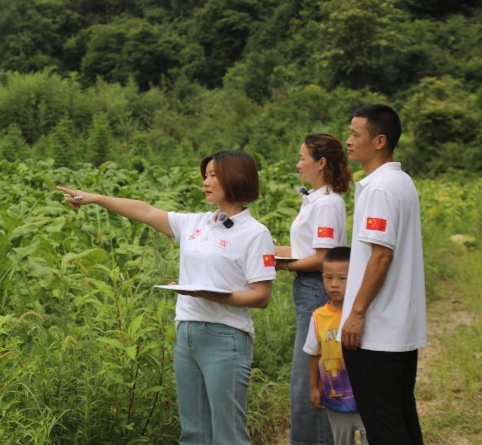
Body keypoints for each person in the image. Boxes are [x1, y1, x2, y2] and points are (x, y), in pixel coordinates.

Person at [57, 150, 276, 445]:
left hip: (226, 338)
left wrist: (209, 295)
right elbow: (145, 211)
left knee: (228, 435)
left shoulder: (254, 233)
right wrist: (96, 198)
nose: (206, 181)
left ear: (235, 178)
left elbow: (261, 296)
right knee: (193, 432)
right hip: (187, 332)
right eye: (206, 175)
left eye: (214, 175)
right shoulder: (196, 224)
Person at [341, 104, 426, 444]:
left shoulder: (380, 189)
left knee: (383, 425)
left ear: (379, 141)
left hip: (377, 330)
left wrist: (357, 313)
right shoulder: (401, 182)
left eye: (354, 134)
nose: (348, 141)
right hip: (398, 326)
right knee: (400, 415)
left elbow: (381, 256)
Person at [274, 134, 352, 445]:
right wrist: (267, 250)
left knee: (309, 377)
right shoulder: (317, 200)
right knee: (308, 374)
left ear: (320, 163)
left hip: (316, 290)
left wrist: (282, 266)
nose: (298, 164)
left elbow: (322, 258)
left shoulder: (328, 204)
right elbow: (304, 248)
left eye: (302, 157)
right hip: (306, 289)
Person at [303, 246, 369, 445]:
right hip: (335, 397)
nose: (334, 285)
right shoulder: (318, 317)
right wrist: (314, 388)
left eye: (342, 279)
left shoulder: (363, 314)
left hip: (367, 398)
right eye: (328, 277)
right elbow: (314, 354)